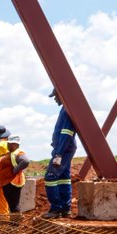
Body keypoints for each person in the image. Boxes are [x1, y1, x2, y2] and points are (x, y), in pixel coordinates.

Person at [43, 89, 77, 219]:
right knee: (63, 178)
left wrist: (59, 154)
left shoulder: (66, 110)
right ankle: (65, 209)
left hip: (63, 149)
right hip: (65, 148)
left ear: (61, 94)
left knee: (50, 177)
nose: (55, 99)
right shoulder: (65, 109)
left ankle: (56, 209)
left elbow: (66, 133)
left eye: (55, 96)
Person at [0, 135, 31, 212]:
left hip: (12, 183)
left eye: (9, 144)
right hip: (7, 183)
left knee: (14, 205)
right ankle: (15, 219)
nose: (7, 145)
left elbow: (25, 161)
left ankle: (16, 219)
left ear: (14, 144)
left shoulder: (18, 153)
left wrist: (15, 170)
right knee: (12, 205)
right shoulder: (11, 153)